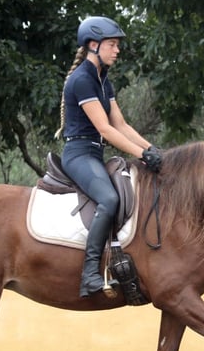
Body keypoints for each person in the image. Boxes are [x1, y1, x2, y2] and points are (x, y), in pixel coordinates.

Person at [56, 15, 162, 297]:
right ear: (93, 45)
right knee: (110, 198)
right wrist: (141, 153)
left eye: (117, 45)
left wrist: (153, 151)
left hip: (94, 152)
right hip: (78, 153)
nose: (117, 50)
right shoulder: (82, 80)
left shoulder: (104, 81)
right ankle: (90, 273)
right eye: (112, 45)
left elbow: (121, 125)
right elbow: (103, 127)